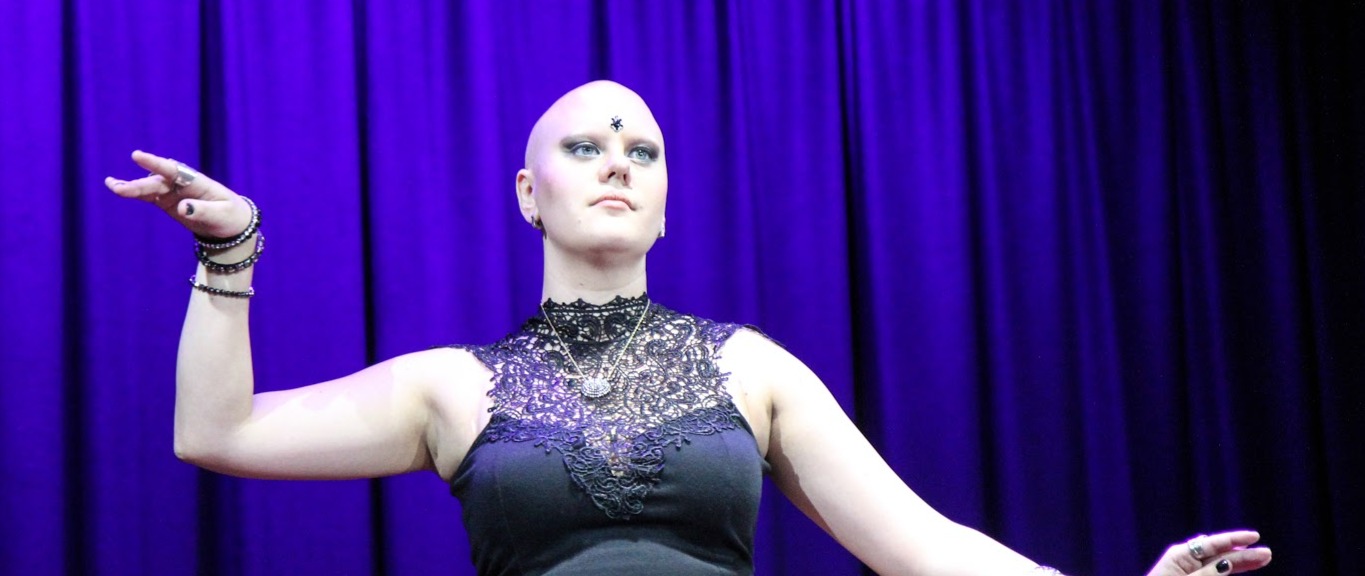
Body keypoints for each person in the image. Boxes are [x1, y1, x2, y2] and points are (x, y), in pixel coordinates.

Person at [105, 80, 1273, 575]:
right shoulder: (453, 387)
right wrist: (229, 254)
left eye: (643, 152)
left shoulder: (750, 368)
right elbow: (219, 431)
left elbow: (926, 550)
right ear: (529, 193)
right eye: (585, 146)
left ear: (664, 204)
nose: (617, 159)